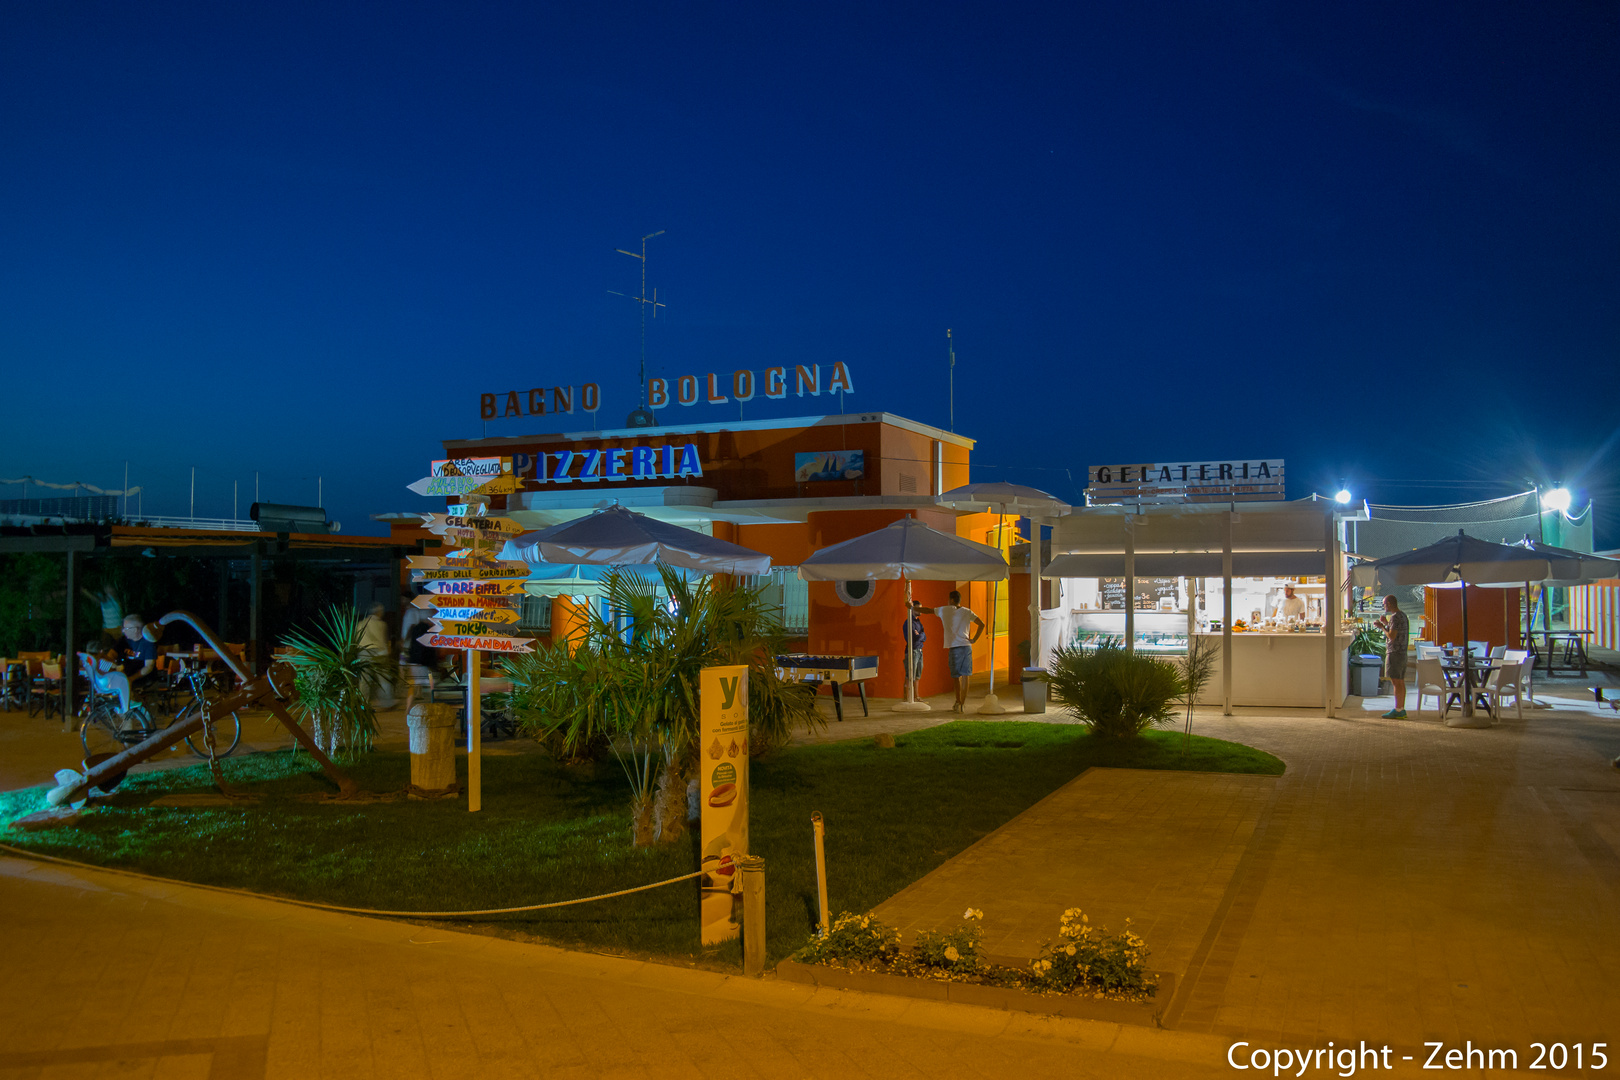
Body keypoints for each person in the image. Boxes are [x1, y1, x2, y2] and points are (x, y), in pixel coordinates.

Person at [915, 590, 985, 712]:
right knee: (966, 676)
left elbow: (928, 610)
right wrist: (974, 639)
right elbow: (981, 624)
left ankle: (958, 701)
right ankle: (963, 703)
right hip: (967, 646)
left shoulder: (945, 610)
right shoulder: (967, 611)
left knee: (956, 676)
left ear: (951, 600)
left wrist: (913, 608)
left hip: (954, 647)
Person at [1375, 594, 1409, 719]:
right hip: (1403, 652)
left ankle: (1398, 709)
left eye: (1384, 604)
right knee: (1401, 681)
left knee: (1396, 682)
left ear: (1389, 604)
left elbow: (1391, 636)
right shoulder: (1403, 615)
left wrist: (1382, 627)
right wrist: (1386, 623)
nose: (1384, 606)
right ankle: (1401, 707)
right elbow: (1397, 632)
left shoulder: (1395, 617)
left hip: (1395, 653)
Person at [357, 602, 396, 708]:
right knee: (384, 678)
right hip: (379, 653)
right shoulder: (382, 624)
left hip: (364, 653)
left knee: (364, 680)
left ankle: (363, 702)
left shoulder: (360, 624)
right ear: (378, 612)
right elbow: (384, 640)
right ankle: (387, 702)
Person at [902, 603, 927, 689]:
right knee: (909, 676)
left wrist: (920, 635)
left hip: (919, 651)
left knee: (917, 676)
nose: (921, 611)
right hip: (912, 651)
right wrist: (920, 635)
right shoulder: (909, 622)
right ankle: (906, 698)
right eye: (919, 609)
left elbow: (924, 636)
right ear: (913, 609)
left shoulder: (918, 622)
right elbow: (913, 638)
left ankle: (916, 696)